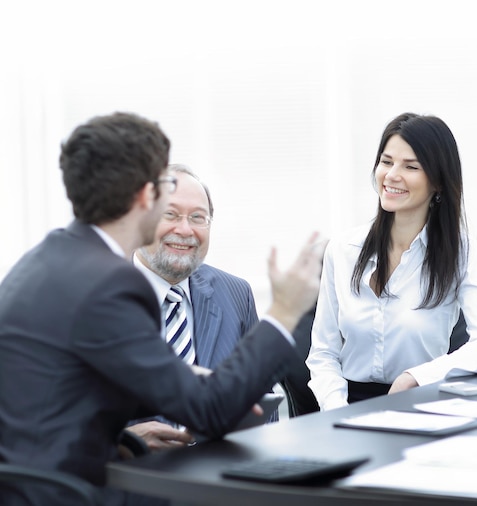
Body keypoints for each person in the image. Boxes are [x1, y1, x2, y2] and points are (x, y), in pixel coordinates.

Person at [0, 112, 323, 506]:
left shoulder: (46, 258)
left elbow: (64, 388)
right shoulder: (110, 283)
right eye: (166, 186)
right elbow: (211, 411)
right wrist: (286, 310)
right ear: (145, 195)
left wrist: (142, 421)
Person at [306, 113, 477, 411]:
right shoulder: (343, 249)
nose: (391, 175)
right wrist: (337, 411)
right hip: (348, 409)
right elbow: (323, 354)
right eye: (386, 162)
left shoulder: (458, 250)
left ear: (438, 182)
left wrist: (416, 377)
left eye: (410, 166)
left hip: (421, 404)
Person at [125, 163, 277, 450]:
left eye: (198, 217)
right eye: (169, 214)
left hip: (222, 477)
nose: (185, 230)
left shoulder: (235, 293)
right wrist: (123, 442)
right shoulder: (97, 296)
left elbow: (262, 400)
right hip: (133, 480)